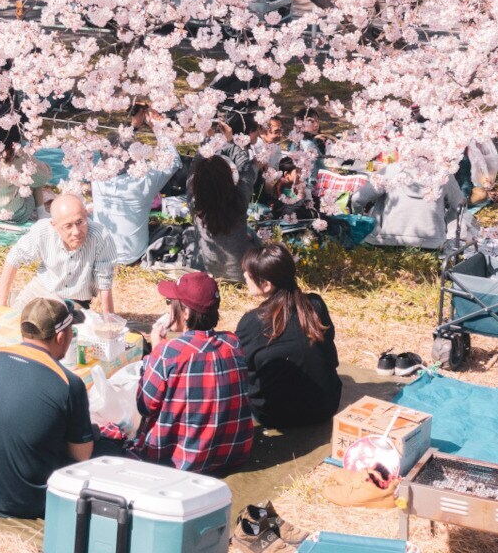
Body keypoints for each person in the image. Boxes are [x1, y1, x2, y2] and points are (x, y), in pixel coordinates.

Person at [0, 297, 97, 518]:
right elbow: (82, 455)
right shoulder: (70, 384)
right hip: (24, 502)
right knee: (104, 449)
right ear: (61, 336)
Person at [129, 271, 253, 473]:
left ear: (185, 312)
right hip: (232, 454)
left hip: (180, 461)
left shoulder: (169, 351)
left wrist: (154, 353)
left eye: (171, 302)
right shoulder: (233, 343)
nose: (169, 307)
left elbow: (145, 406)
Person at [236, 243, 341, 429]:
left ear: (266, 284)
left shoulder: (252, 322)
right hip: (326, 405)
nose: (244, 274)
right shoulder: (315, 304)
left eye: (248, 272)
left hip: (275, 415)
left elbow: (239, 368)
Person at [0, 195, 118, 314]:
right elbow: (14, 258)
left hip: (74, 298)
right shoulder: (42, 231)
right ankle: (15, 299)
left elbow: (104, 280)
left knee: (66, 331)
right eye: (68, 226)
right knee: (16, 320)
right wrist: (0, 301)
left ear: (86, 215)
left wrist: (109, 319)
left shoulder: (101, 236)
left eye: (80, 222)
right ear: (54, 226)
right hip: (41, 289)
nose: (76, 232)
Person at [91, 104, 182, 265]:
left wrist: (133, 126)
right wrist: (158, 129)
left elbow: (112, 151)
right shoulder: (142, 181)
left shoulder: (97, 176)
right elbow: (173, 161)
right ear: (133, 157)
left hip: (100, 252)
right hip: (132, 255)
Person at [189, 154, 258, 283]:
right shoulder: (240, 199)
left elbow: (193, 166)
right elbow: (246, 169)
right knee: (253, 235)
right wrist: (230, 141)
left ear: (197, 181)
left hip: (202, 274)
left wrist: (208, 141)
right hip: (240, 275)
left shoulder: (194, 203)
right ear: (229, 177)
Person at [0, 125, 52, 224]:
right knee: (32, 175)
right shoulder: (16, 156)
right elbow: (45, 176)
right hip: (17, 214)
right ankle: (42, 213)